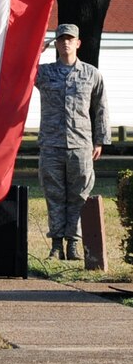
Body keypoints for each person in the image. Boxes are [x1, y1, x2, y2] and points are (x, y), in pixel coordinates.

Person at [35, 23, 111, 261]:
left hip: (81, 145)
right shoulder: (44, 73)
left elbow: (100, 108)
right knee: (54, 194)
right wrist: (38, 50)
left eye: (70, 39)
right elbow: (18, 71)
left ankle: (74, 246)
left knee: (79, 196)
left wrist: (100, 140)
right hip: (51, 145)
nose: (65, 43)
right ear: (56, 44)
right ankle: (56, 245)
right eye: (61, 39)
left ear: (78, 43)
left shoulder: (91, 74)